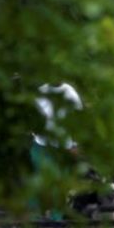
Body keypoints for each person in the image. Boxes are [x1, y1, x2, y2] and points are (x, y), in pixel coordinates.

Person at [31, 82, 82, 220]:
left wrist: (75, 144)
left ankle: (56, 218)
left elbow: (78, 121)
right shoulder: (40, 91)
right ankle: (35, 216)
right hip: (42, 143)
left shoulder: (71, 94)